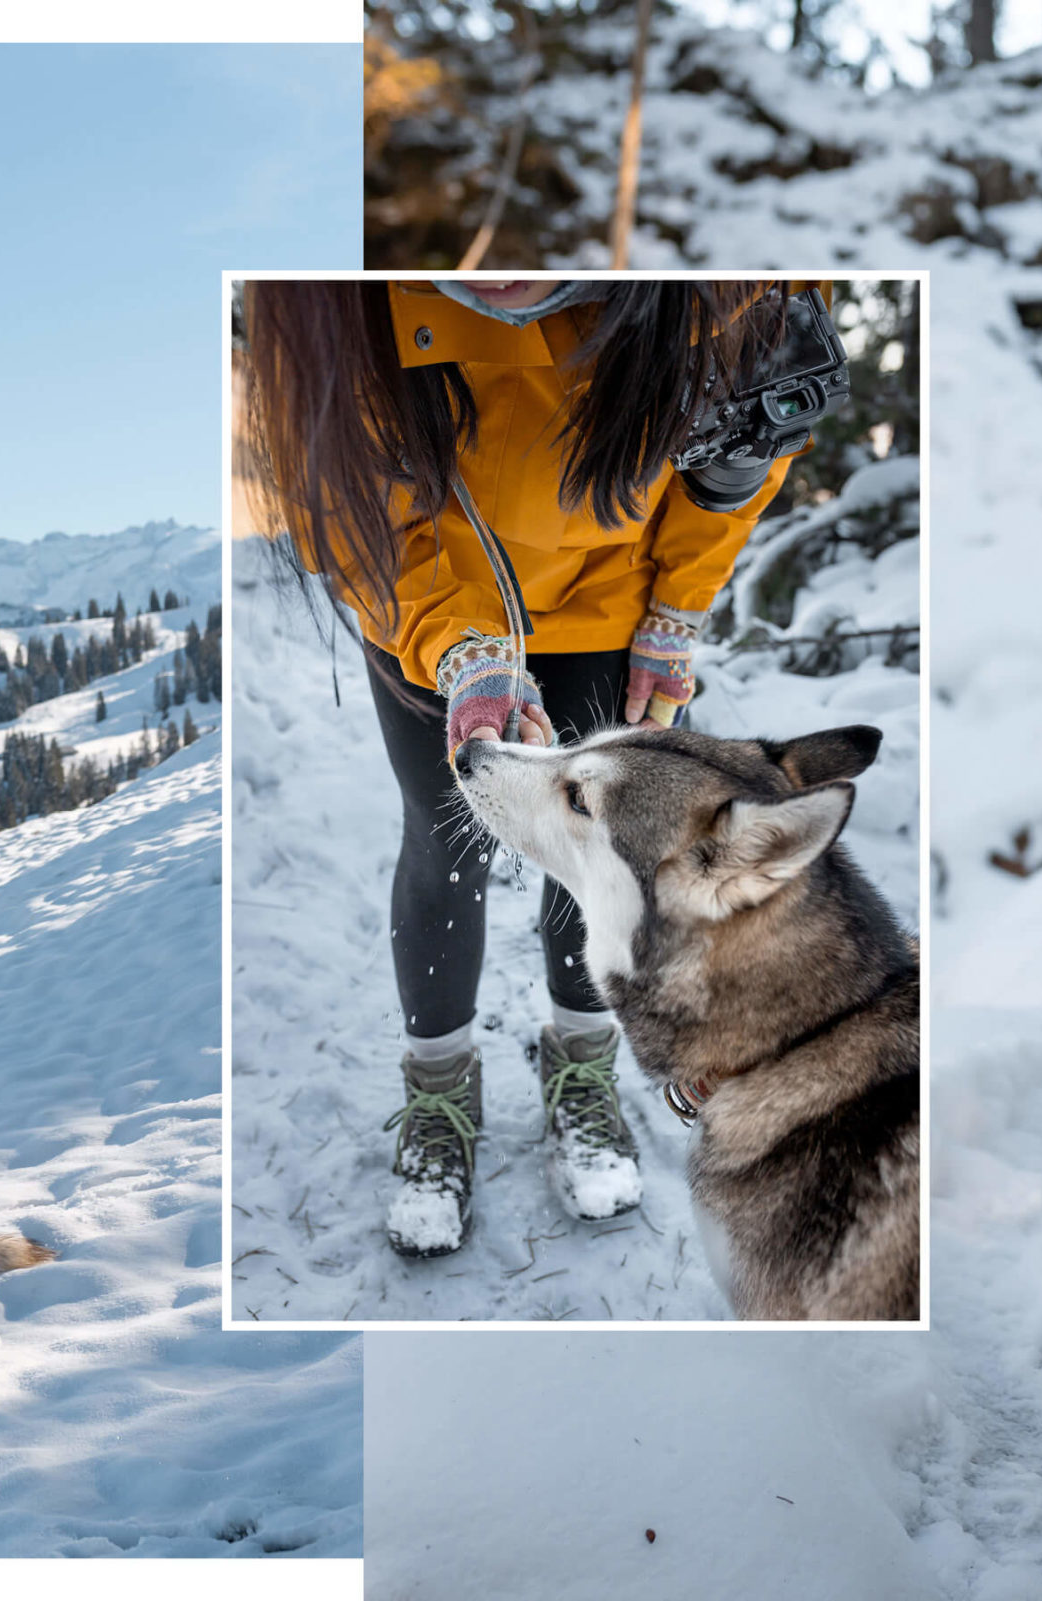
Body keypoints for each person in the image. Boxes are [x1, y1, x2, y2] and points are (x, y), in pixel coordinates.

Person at [240, 277, 825, 1257]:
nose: (501, 270)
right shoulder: (318, 301)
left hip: (613, 595)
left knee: (596, 849)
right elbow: (347, 500)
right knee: (442, 838)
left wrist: (677, 611)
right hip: (428, 598)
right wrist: (460, 648)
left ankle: (581, 1067)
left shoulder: (720, 279)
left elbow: (737, 448)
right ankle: (439, 1094)